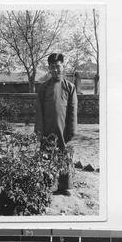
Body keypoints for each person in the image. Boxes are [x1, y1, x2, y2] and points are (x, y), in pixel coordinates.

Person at [34, 53, 78, 196]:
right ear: (49, 68)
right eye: (52, 67)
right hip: (47, 129)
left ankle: (64, 186)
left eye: (57, 67)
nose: (55, 70)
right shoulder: (43, 87)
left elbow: (72, 111)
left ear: (63, 67)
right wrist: (39, 130)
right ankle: (46, 184)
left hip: (62, 130)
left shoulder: (69, 87)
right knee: (46, 157)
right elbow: (39, 110)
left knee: (63, 156)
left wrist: (71, 130)